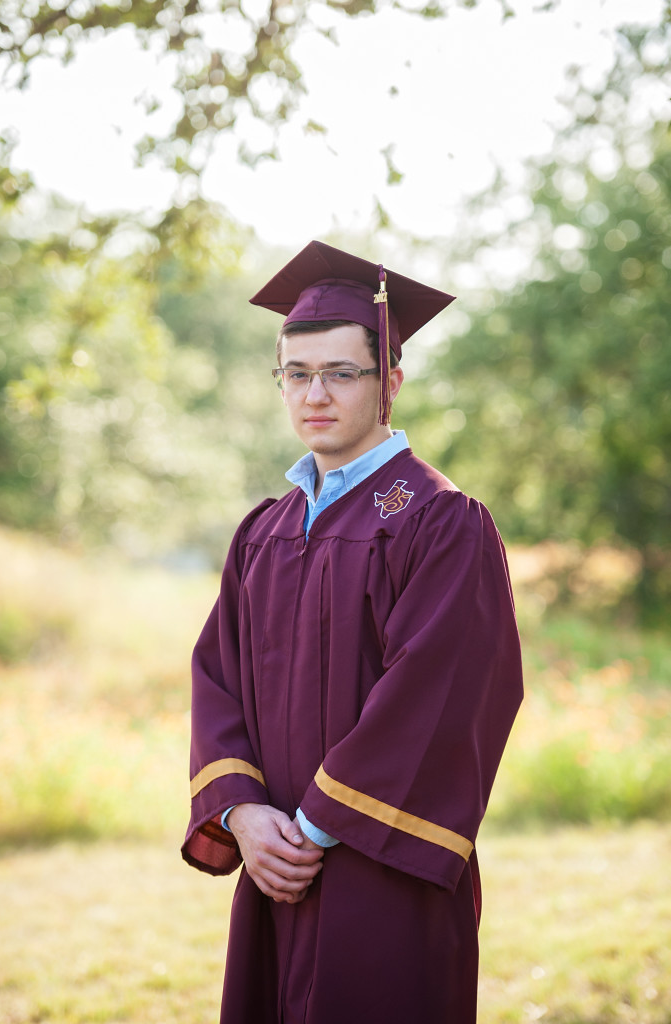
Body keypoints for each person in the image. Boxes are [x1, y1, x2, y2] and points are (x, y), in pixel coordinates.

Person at [182, 240, 523, 1024]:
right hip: (273, 866)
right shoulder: (263, 531)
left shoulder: (440, 521)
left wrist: (310, 828)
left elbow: (439, 699)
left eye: (341, 372)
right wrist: (243, 814)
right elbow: (216, 679)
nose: (315, 394)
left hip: (380, 865)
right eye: (296, 374)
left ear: (390, 383)